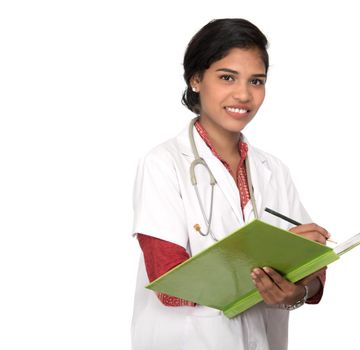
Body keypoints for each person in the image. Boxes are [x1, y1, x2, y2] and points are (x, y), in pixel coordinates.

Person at [131, 18, 330, 350]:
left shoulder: (274, 170)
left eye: (256, 81)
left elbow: (315, 274)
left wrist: (298, 291)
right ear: (196, 79)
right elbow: (170, 284)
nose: (244, 94)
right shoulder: (162, 164)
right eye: (227, 77)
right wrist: (273, 263)